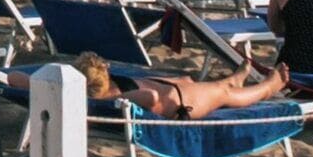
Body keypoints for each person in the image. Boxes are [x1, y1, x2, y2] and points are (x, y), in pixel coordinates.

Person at [74, 55, 287, 122]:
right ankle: (269, 86)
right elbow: (151, 96)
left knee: (202, 83)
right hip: (182, 102)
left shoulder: (105, 91)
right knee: (223, 94)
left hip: (175, 89)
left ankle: (233, 79)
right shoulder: (110, 99)